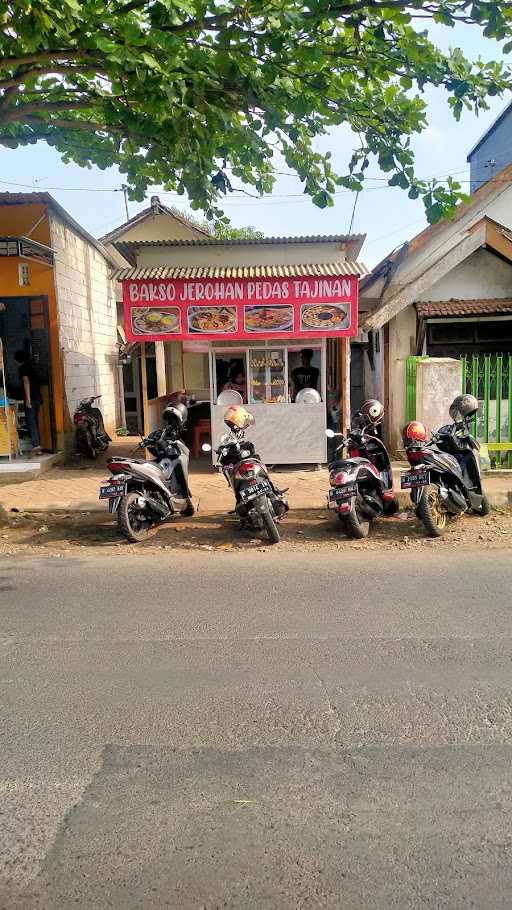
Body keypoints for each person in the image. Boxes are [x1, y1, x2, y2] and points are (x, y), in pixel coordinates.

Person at [14, 350, 42, 455]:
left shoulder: (22, 368)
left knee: (31, 422)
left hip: (31, 398)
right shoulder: (33, 366)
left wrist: (28, 399)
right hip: (38, 398)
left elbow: (26, 382)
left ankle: (36, 446)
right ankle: (38, 445)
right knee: (35, 421)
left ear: (18, 359)